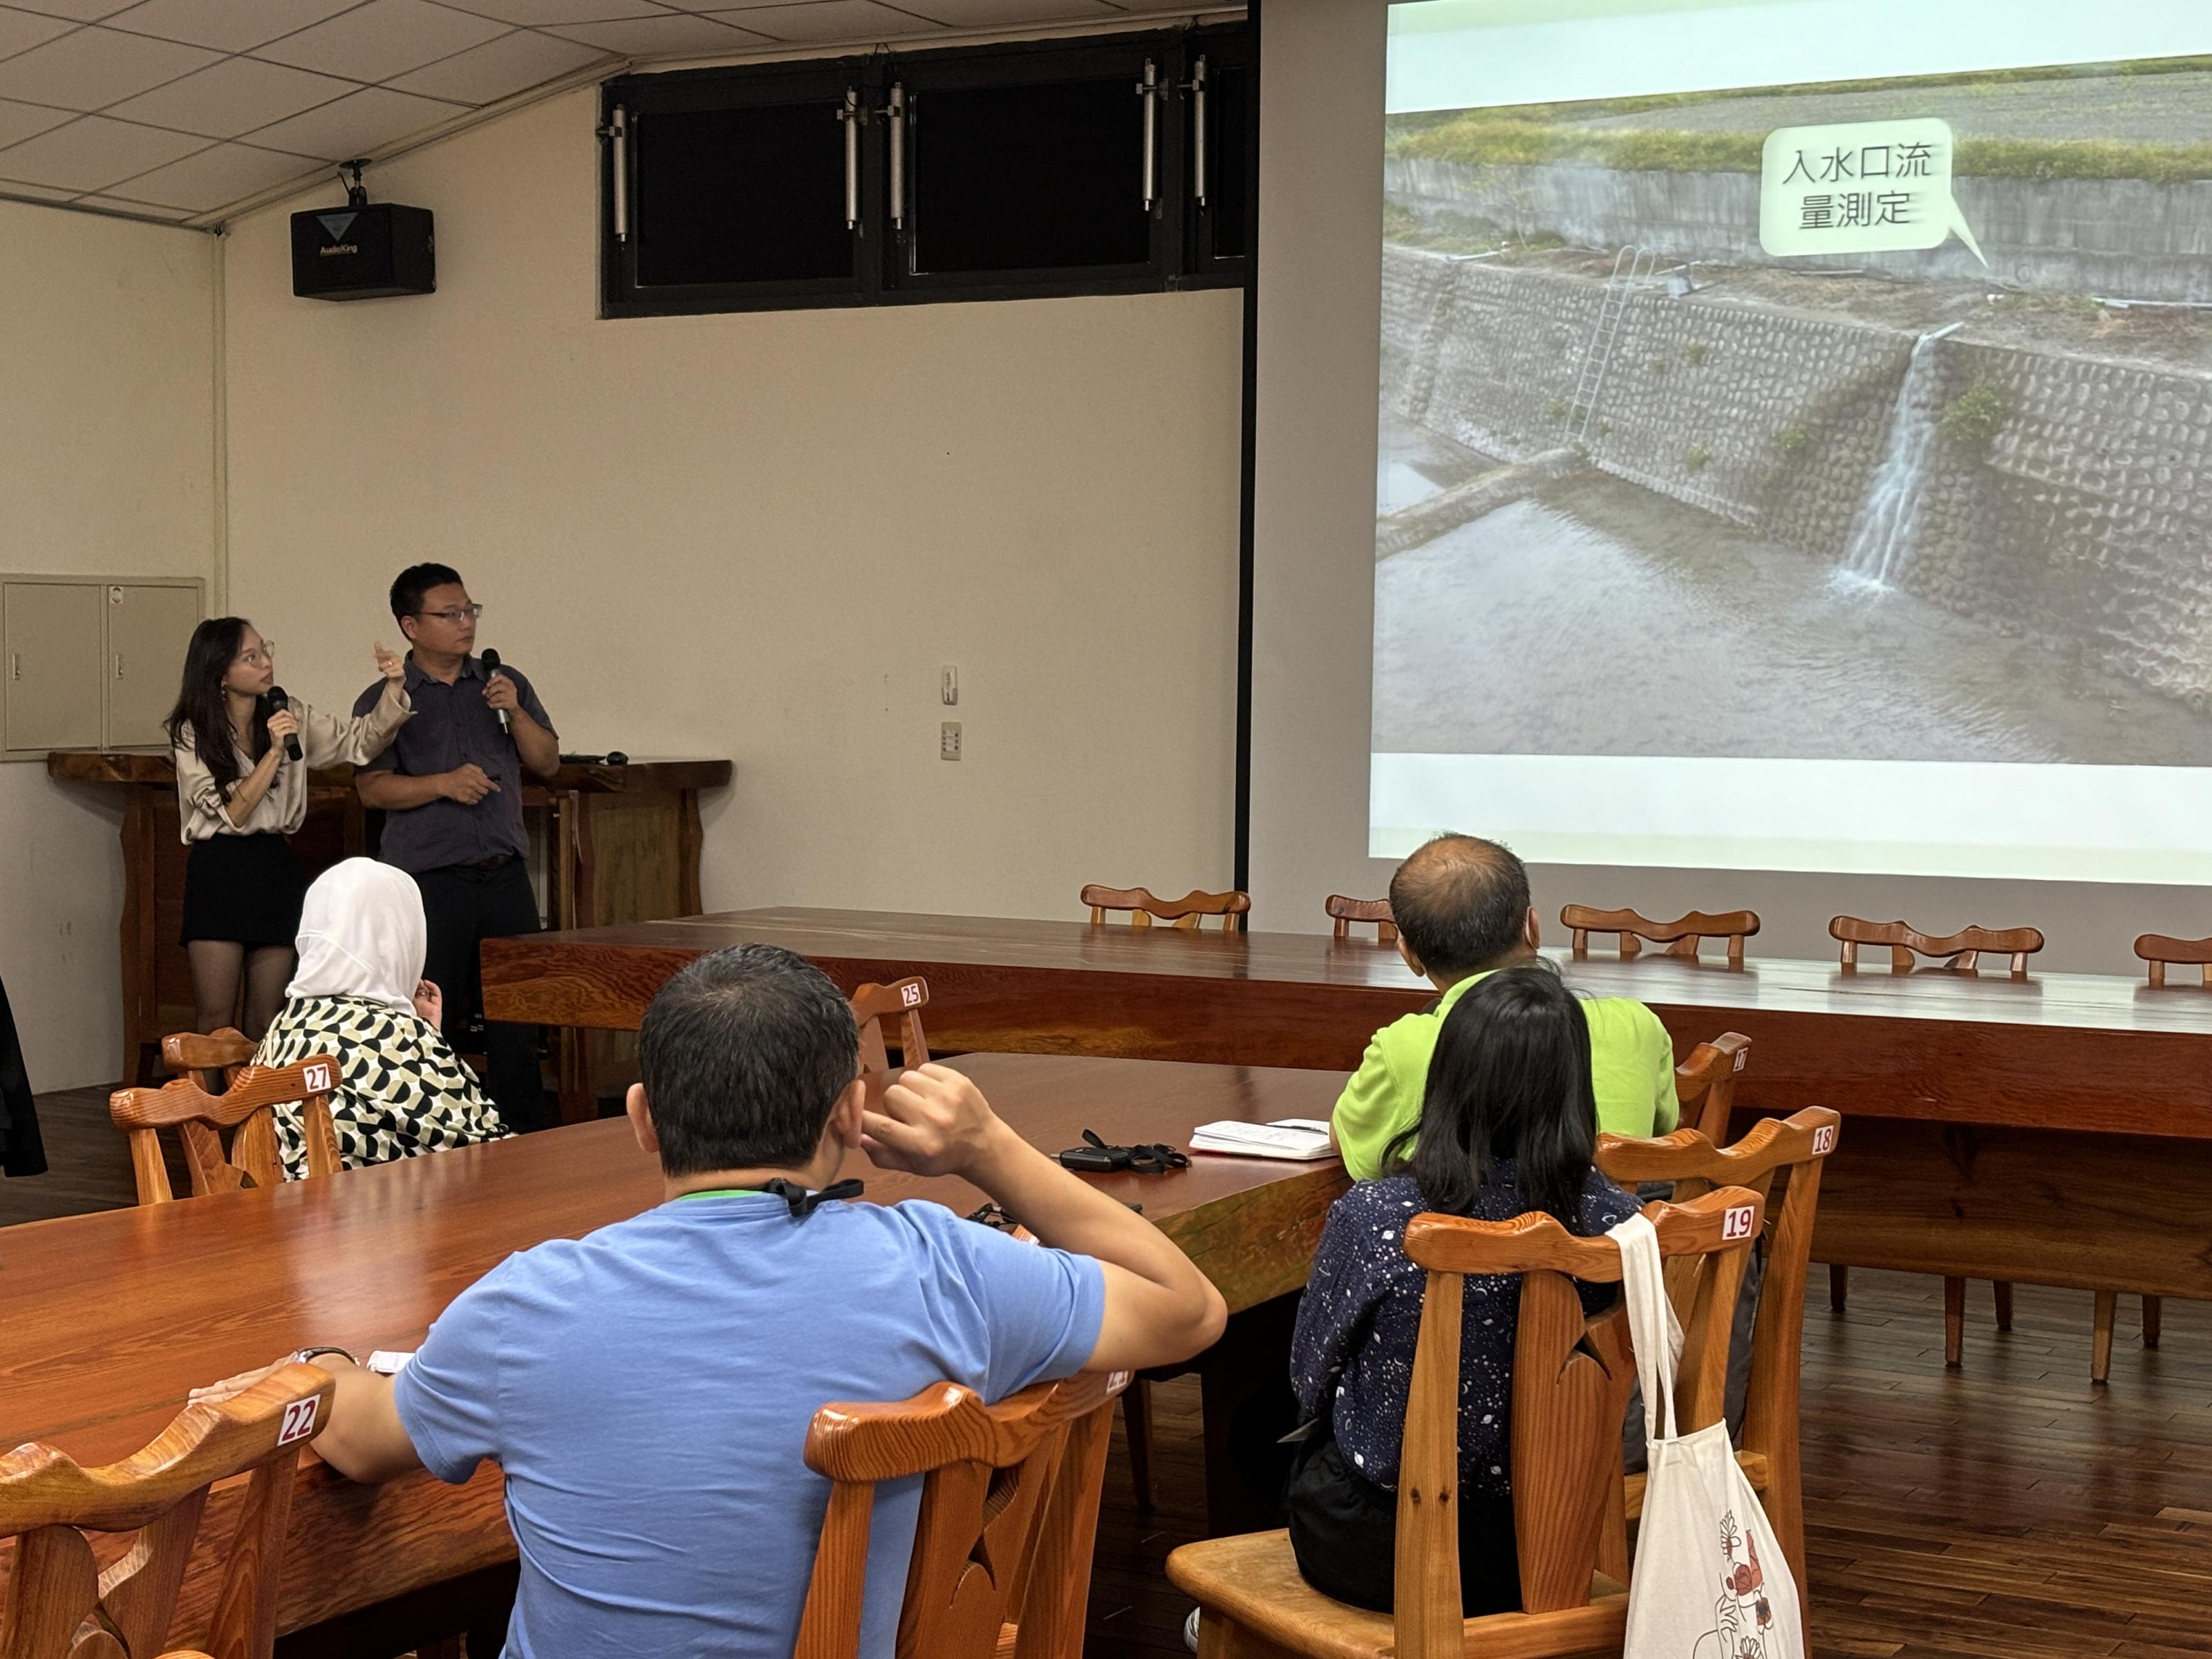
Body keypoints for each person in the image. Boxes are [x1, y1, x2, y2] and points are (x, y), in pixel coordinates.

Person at [193, 944, 1226, 1658]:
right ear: (852, 1116)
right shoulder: (944, 1268)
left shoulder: (530, 1303)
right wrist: (987, 1148)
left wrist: (324, 1370)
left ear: (642, 1121)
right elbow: (1187, 1309)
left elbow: (368, 1445)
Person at [1286, 964, 1642, 1614]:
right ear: (1575, 1088)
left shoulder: (1379, 1216)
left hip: (1384, 1551)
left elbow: (1309, 1381)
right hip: (1562, 1541)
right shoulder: (1624, 1225)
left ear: (1447, 1078)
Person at [1331, 834, 1678, 1180]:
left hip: (1458, 1233)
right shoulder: (1636, 1025)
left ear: (1410, 956)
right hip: (1617, 1230)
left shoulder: (1401, 1045)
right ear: (1533, 928)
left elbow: (1353, 1148)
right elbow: (1663, 1132)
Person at [353, 565, 558, 1132]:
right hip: (428, 881)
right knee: (429, 1017)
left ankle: (522, 1133)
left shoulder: (500, 681)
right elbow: (372, 789)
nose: (465, 623)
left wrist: (515, 710)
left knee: (519, 1014)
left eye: (470, 611)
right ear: (411, 626)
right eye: (450, 614)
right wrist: (441, 784)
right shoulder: (386, 698)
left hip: (503, 872)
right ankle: (431, 1131)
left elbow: (547, 761)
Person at [167, 617, 411, 1038]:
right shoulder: (193, 732)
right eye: (251, 657)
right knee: (215, 1020)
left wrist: (393, 688)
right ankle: (208, 1106)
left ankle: (259, 1105)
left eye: (265, 651)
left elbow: (359, 742)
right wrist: (276, 751)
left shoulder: (290, 712)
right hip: (220, 868)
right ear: (220, 674)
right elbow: (233, 812)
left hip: (274, 864)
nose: (266, 663)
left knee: (268, 1018)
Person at [253, 859, 510, 1178]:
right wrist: (425, 1043)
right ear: (398, 938)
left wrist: (428, 1035)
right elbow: (488, 1143)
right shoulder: (390, 1036)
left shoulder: (283, 1028)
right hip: (373, 1217)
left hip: (290, 1214)